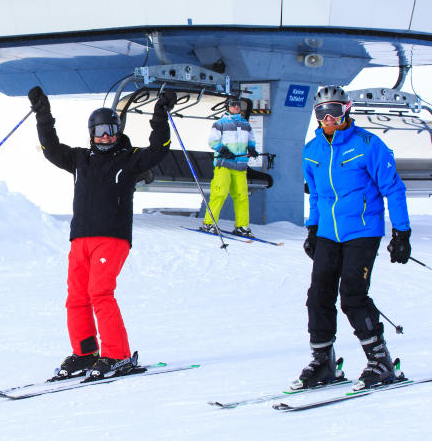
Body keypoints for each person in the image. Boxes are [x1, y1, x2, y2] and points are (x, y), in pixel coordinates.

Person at [27, 85, 176, 381]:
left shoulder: (130, 159)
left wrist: (160, 115)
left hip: (112, 237)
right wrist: (43, 115)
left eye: (111, 130)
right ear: (91, 133)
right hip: (80, 237)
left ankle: (117, 355)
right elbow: (51, 149)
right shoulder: (81, 159)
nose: (105, 136)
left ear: (118, 131)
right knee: (76, 297)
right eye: (100, 131)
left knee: (100, 293)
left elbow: (159, 149)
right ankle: (85, 353)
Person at [294, 85, 412, 391]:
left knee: (352, 296)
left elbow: (393, 189)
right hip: (329, 234)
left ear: (346, 110)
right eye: (322, 113)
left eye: (334, 111)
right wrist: (312, 228)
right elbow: (317, 195)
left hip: (363, 230)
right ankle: (323, 362)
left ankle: (380, 361)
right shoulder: (312, 150)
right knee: (318, 296)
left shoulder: (369, 145)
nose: (328, 118)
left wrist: (401, 233)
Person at [199, 96, 259, 237]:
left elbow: (251, 140)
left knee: (241, 196)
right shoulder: (220, 123)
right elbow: (212, 141)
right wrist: (223, 150)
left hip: (240, 165)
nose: (236, 107)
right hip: (224, 164)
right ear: (227, 107)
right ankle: (209, 223)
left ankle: (242, 226)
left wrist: (251, 149)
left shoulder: (245, 124)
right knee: (219, 193)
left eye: (238, 105)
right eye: (232, 105)